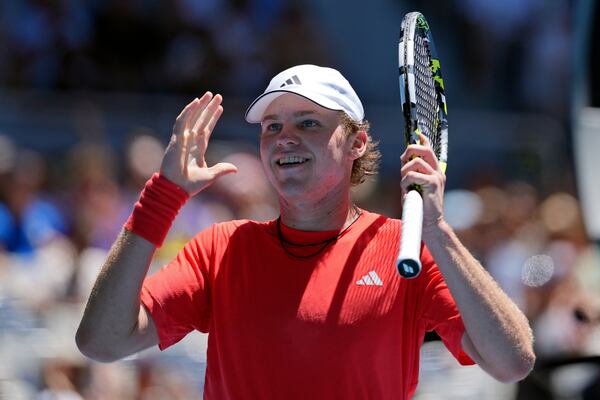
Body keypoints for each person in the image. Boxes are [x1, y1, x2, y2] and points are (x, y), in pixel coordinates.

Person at [76, 64, 535, 399]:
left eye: (307, 123)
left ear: (356, 144)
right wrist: (162, 195)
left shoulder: (406, 249)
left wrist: (436, 230)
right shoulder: (222, 249)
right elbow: (102, 341)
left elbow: (512, 362)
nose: (284, 138)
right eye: (272, 127)